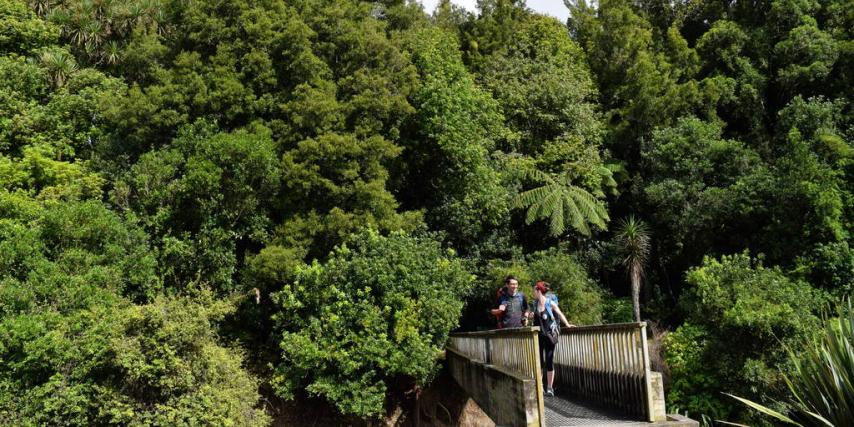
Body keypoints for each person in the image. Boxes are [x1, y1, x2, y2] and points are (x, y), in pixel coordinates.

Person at [531, 281, 573, 397]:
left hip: (550, 336)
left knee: (549, 361)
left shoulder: (550, 303)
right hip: (538, 337)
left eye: (534, 290)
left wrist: (568, 325)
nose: (533, 293)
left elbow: (559, 313)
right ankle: (540, 388)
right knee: (539, 362)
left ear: (538, 291)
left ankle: (549, 388)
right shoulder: (535, 305)